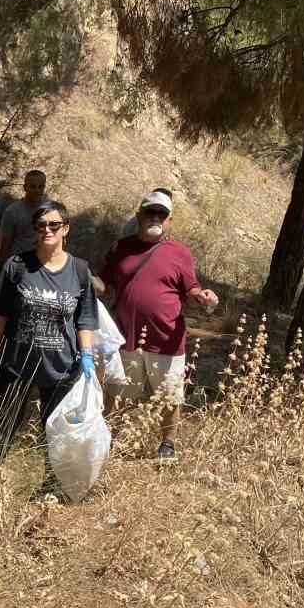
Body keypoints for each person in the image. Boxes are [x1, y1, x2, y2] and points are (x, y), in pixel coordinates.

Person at [0, 200, 98, 496]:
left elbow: (85, 318)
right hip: (17, 364)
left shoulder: (80, 271)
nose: (47, 230)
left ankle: (52, 485)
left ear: (65, 229)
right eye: (41, 225)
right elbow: (0, 312)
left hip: (62, 366)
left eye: (54, 225)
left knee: (56, 430)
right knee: (5, 423)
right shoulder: (17, 265)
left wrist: (86, 356)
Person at [99, 190, 218, 462]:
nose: (155, 217)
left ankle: (167, 444)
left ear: (169, 220)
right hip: (125, 336)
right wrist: (81, 279)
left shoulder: (179, 252)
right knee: (118, 392)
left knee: (169, 397)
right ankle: (110, 440)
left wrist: (203, 296)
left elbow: (191, 288)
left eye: (161, 214)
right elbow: (103, 282)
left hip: (166, 339)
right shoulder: (121, 248)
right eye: (150, 212)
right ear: (139, 214)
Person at [0, 169, 49, 258]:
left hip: (41, 259)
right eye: (33, 186)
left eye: (41, 187)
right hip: (19, 261)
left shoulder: (49, 208)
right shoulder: (12, 211)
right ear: (25, 187)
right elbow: (5, 242)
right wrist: (4, 265)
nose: (37, 190)